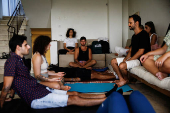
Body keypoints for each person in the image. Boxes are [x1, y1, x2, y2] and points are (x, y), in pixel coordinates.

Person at [0, 35, 119, 109]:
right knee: (74, 100)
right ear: (17, 47)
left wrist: (11, 96)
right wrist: (1, 104)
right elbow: (6, 86)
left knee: (75, 94)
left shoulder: (19, 60)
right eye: (26, 45)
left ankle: (105, 95)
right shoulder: (11, 62)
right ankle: (107, 99)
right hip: (35, 98)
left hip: (40, 90)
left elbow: (15, 82)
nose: (29, 47)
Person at [111, 14, 151, 87]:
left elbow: (141, 52)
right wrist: (125, 59)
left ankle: (126, 80)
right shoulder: (133, 36)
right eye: (128, 23)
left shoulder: (144, 34)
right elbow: (130, 50)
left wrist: (128, 61)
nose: (129, 24)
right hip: (133, 58)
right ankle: (122, 79)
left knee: (122, 66)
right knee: (113, 61)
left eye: (130, 23)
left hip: (140, 60)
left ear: (137, 23)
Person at [50, 67, 117, 82]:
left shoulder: (50, 69)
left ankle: (114, 75)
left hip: (75, 69)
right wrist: (73, 79)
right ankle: (116, 76)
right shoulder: (50, 76)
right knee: (94, 76)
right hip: (76, 74)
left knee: (94, 72)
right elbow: (60, 78)